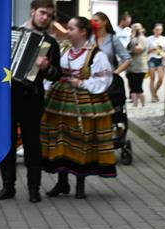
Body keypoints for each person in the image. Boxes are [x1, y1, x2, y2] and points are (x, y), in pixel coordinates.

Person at [0, 0, 61, 203]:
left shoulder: (50, 43)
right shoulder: (13, 34)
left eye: (49, 16)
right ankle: (8, 186)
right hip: (10, 95)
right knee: (8, 142)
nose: (45, 18)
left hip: (33, 97)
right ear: (32, 11)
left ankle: (34, 187)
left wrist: (46, 67)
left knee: (33, 143)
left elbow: (56, 74)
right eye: (42, 13)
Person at [42, 17, 116, 199]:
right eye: (68, 28)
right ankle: (62, 182)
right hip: (61, 99)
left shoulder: (97, 55)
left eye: (72, 28)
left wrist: (82, 83)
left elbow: (104, 80)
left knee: (82, 140)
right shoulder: (64, 50)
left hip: (84, 101)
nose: (68, 32)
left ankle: (80, 184)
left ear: (83, 32)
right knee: (61, 139)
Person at [92, 11, 132, 106]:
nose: (93, 23)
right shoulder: (90, 39)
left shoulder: (112, 39)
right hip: (92, 80)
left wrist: (115, 73)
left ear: (104, 22)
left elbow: (127, 59)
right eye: (92, 21)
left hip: (108, 81)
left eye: (96, 20)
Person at [127, 23, 148, 107]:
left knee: (138, 87)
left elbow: (138, 49)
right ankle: (135, 104)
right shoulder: (133, 39)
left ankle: (143, 104)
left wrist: (132, 41)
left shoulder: (142, 39)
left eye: (135, 29)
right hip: (131, 66)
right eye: (133, 29)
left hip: (139, 67)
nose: (134, 31)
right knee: (132, 88)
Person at [146, 23, 165, 102]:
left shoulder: (164, 39)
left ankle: (154, 92)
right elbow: (146, 52)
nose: (158, 31)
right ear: (153, 30)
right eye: (157, 29)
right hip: (152, 59)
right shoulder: (149, 39)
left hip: (160, 59)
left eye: (160, 30)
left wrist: (164, 54)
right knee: (152, 78)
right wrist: (153, 49)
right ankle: (153, 96)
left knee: (161, 78)